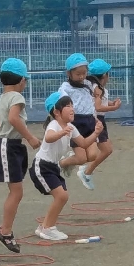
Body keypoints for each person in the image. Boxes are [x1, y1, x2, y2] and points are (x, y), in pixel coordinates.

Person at [0, 57, 37, 253]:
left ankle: (5, 229)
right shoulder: (17, 98)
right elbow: (12, 119)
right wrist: (30, 138)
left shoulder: (3, 98)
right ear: (22, 80)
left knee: (16, 191)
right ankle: (5, 231)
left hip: (9, 145)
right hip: (8, 146)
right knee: (16, 192)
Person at [30, 90, 77, 242]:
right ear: (56, 112)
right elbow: (49, 137)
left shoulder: (70, 126)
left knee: (63, 196)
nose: (72, 108)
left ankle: (45, 226)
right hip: (42, 166)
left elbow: (83, 142)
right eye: (67, 106)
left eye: (72, 105)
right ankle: (47, 228)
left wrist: (96, 134)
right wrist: (62, 132)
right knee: (61, 196)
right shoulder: (54, 124)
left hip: (53, 167)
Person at [57, 54, 105, 188]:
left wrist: (96, 119)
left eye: (84, 73)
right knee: (81, 158)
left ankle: (69, 160)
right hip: (76, 124)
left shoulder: (88, 84)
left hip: (90, 122)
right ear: (69, 73)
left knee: (93, 155)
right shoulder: (65, 87)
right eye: (78, 74)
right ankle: (61, 163)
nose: (82, 76)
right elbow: (62, 105)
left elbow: (91, 103)